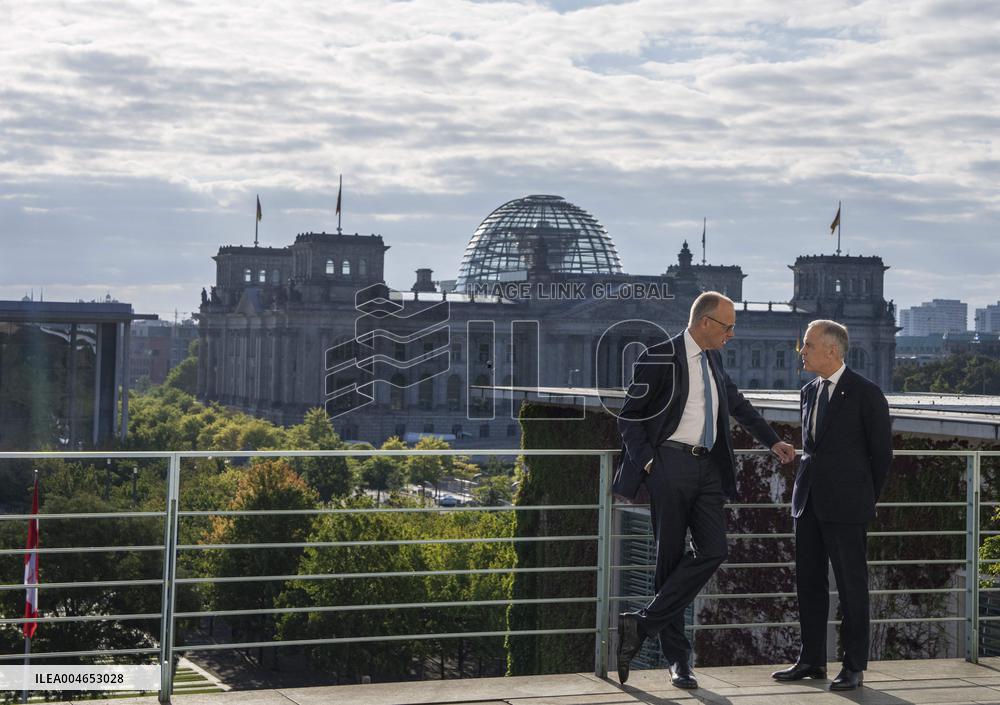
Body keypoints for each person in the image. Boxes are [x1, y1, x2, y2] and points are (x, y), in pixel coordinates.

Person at [614, 291, 796, 689]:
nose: (732, 334)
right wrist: (650, 464)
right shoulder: (660, 356)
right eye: (728, 326)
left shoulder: (714, 357)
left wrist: (772, 441)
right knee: (670, 561)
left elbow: (738, 404)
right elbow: (629, 418)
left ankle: (641, 626)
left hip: (708, 468)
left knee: (714, 550)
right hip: (670, 466)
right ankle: (679, 662)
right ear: (705, 323)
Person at [771, 319, 892, 691]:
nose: (801, 351)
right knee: (808, 583)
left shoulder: (866, 394)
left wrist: (863, 500)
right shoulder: (808, 391)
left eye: (807, 345)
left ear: (832, 350)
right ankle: (811, 660)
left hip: (847, 507)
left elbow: (881, 457)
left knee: (852, 586)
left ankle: (853, 665)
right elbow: (815, 448)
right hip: (807, 503)